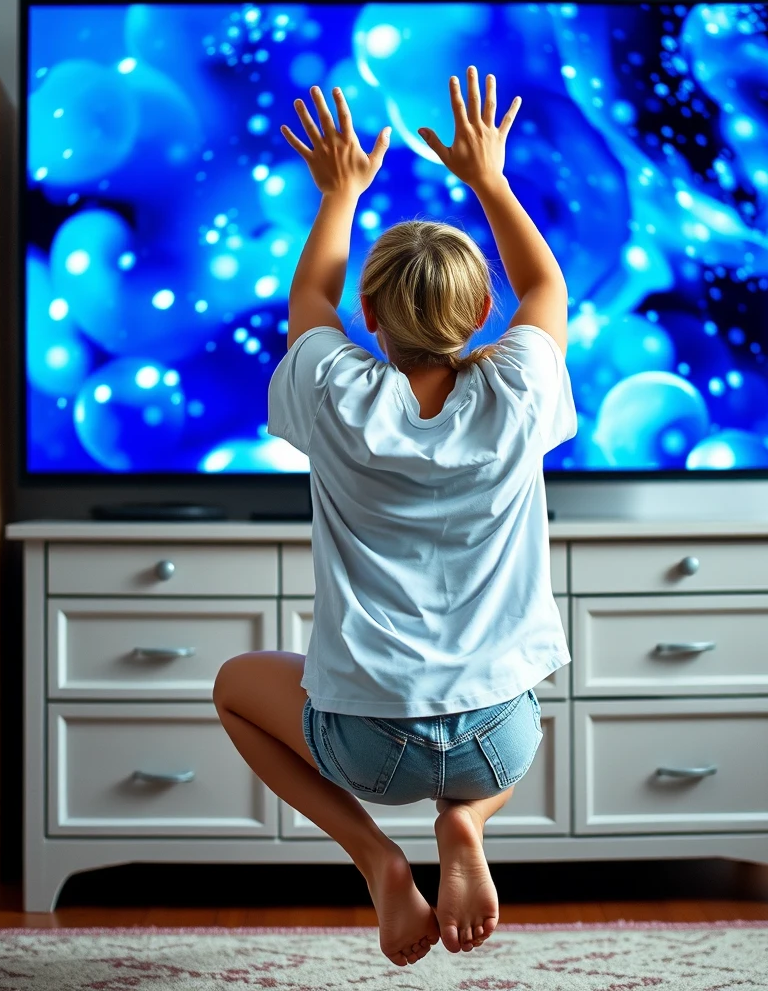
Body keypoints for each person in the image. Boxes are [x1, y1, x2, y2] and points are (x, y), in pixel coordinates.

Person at [213, 65, 577, 967]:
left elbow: (307, 308)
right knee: (520, 707)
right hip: (498, 742)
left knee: (234, 685)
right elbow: (547, 291)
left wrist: (338, 191)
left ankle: (379, 863)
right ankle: (466, 826)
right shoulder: (521, 390)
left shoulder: (334, 391)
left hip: (366, 744)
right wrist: (487, 177)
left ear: (367, 316)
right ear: (482, 312)